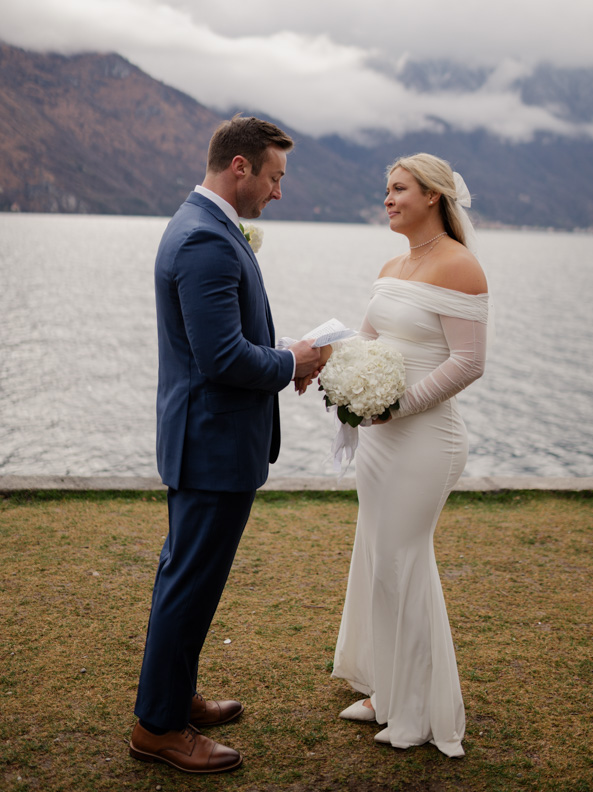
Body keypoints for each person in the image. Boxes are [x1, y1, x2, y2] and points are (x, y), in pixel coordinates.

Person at [130, 115, 321, 774]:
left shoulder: (202, 226)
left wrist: (281, 357)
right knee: (188, 585)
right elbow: (221, 359)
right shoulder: (205, 241)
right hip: (210, 447)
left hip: (207, 440)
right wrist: (289, 361)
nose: (277, 191)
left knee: (186, 580)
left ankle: (173, 696)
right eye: (274, 176)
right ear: (239, 168)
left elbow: (225, 346)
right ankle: (157, 727)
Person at [331, 153, 489, 756]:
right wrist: (339, 372)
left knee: (403, 563)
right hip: (377, 440)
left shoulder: (460, 266)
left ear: (433, 196)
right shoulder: (393, 263)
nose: (388, 199)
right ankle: (384, 690)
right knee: (376, 560)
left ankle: (419, 711)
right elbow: (370, 341)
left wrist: (398, 406)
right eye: (387, 190)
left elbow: (469, 363)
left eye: (399, 189)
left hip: (426, 441)